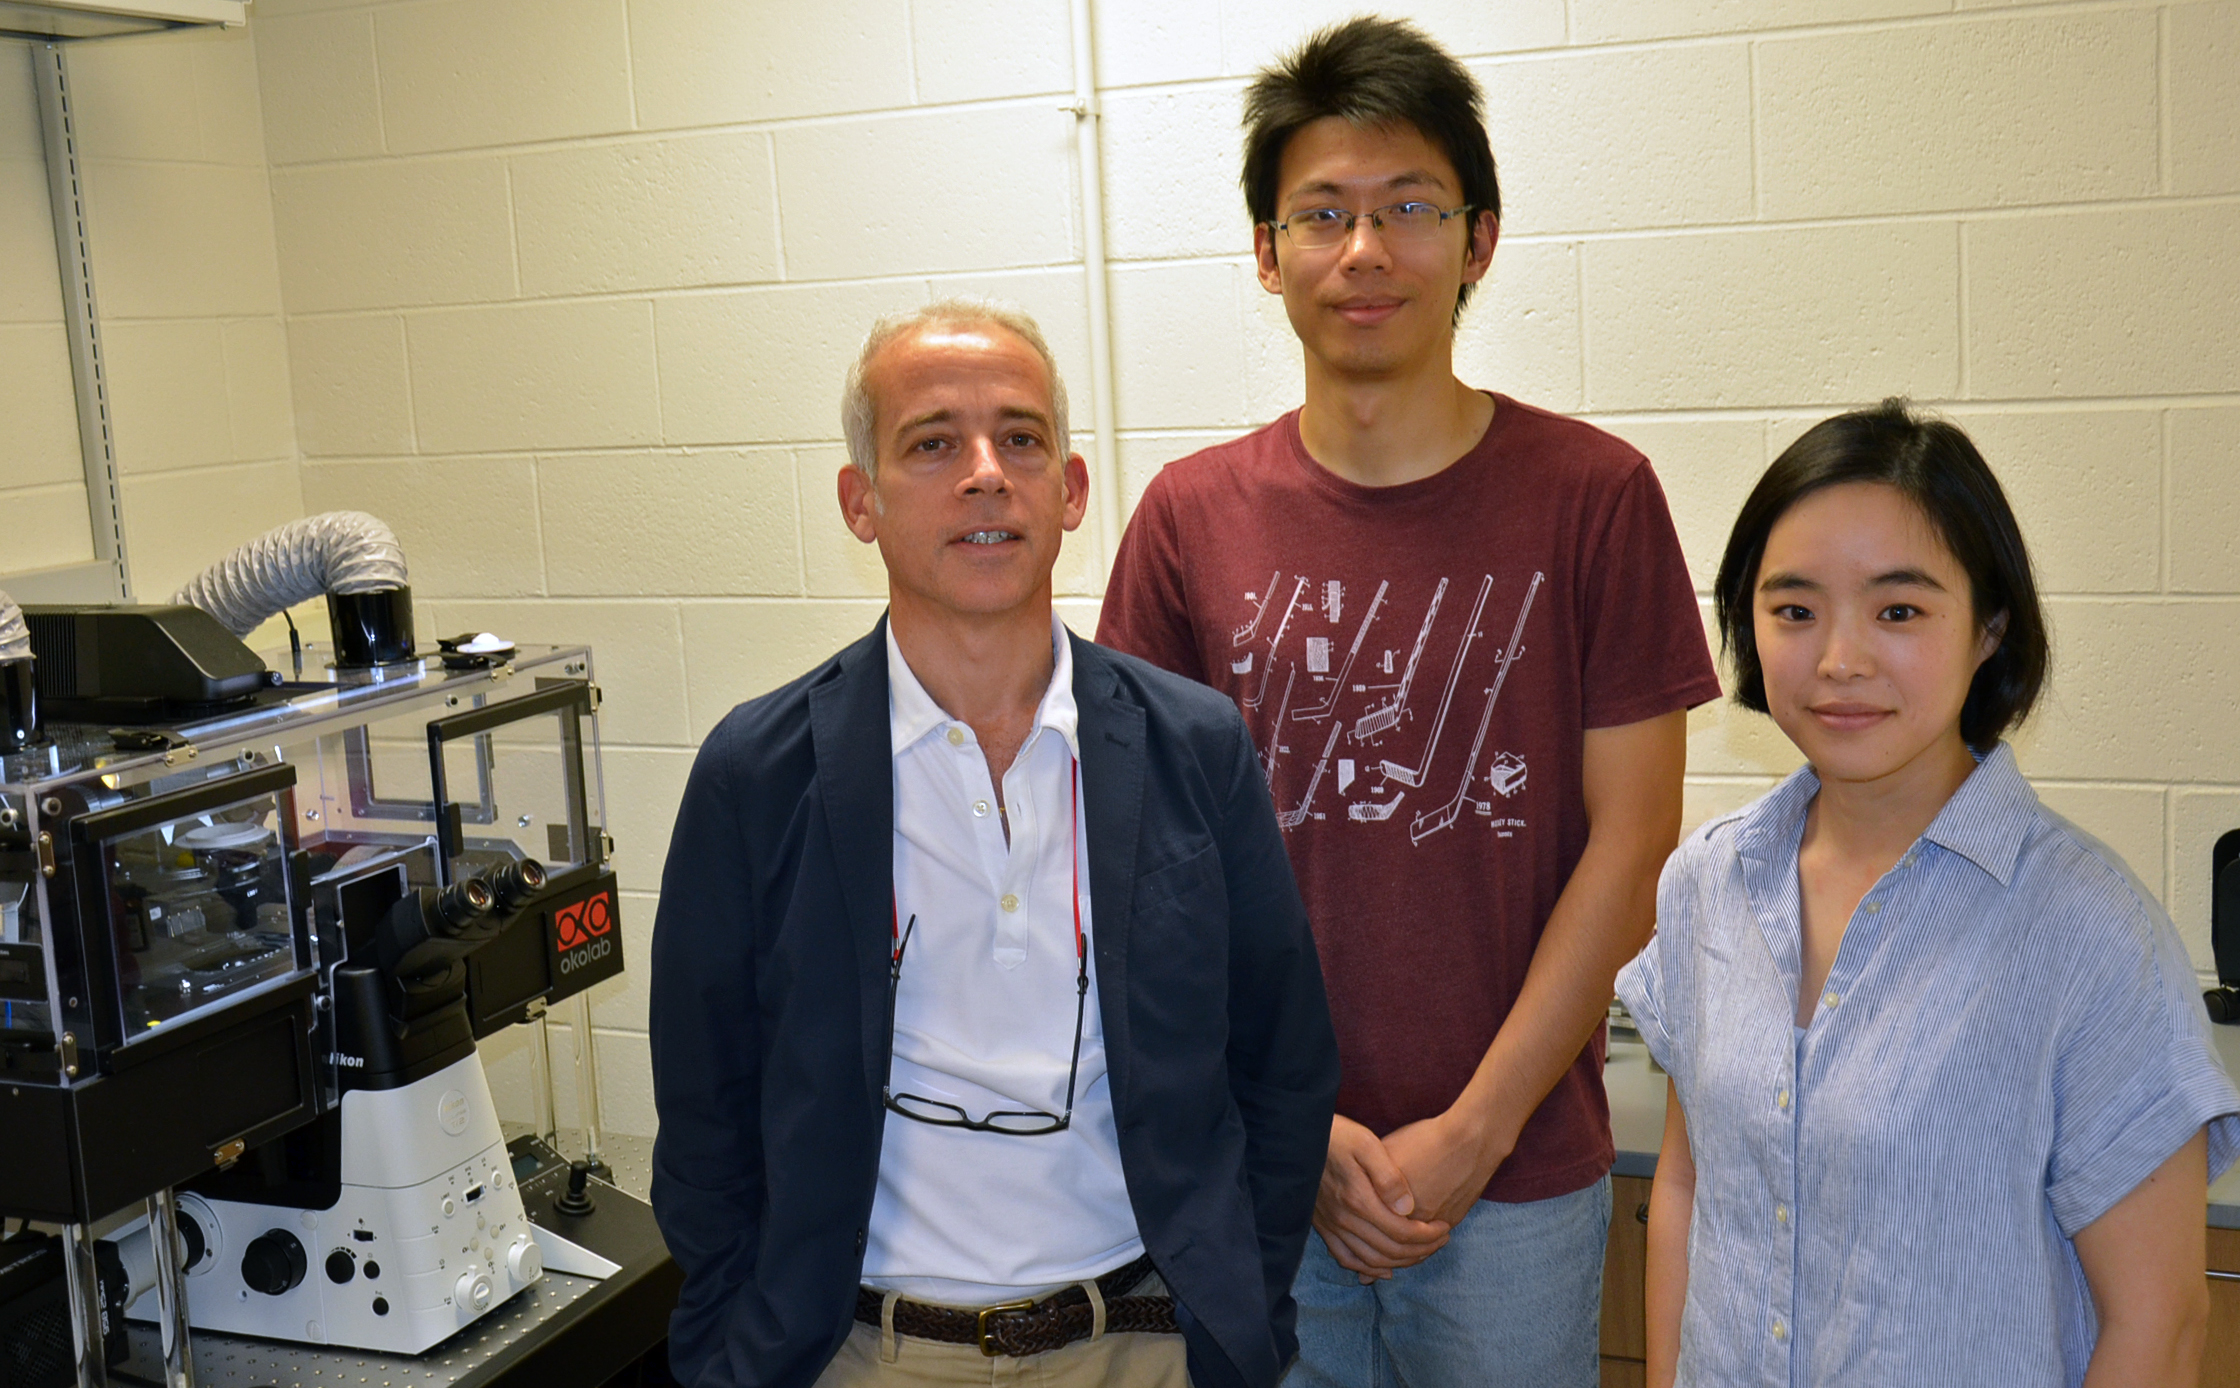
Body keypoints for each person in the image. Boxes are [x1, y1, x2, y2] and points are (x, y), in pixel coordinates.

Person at [1096, 16, 1721, 1386]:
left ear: (1479, 242)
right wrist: (1304, 1128)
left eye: (1408, 209)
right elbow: (1141, 865)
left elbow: (1633, 852)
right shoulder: (1190, 521)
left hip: (1517, 1177)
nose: (1364, 251)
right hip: (1266, 1167)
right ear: (1267, 252)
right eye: (1322, 213)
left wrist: (1478, 1128)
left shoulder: (1595, 500)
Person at [647, 299, 1341, 1388]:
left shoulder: (1192, 745)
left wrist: (1237, 1305)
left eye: (1019, 438)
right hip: (861, 1353)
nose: (983, 472)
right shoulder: (757, 772)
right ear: (859, 500)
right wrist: (740, 1348)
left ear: (1068, 490)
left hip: (1142, 1345)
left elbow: (1281, 1059)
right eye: (931, 443)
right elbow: (705, 1109)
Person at [1617, 399, 2240, 1387]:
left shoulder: (2086, 930)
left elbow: (2157, 1322)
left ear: (1988, 626)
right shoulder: (1708, 883)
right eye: (1792, 609)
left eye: (1897, 609)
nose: (1838, 659)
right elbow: (1692, 1188)